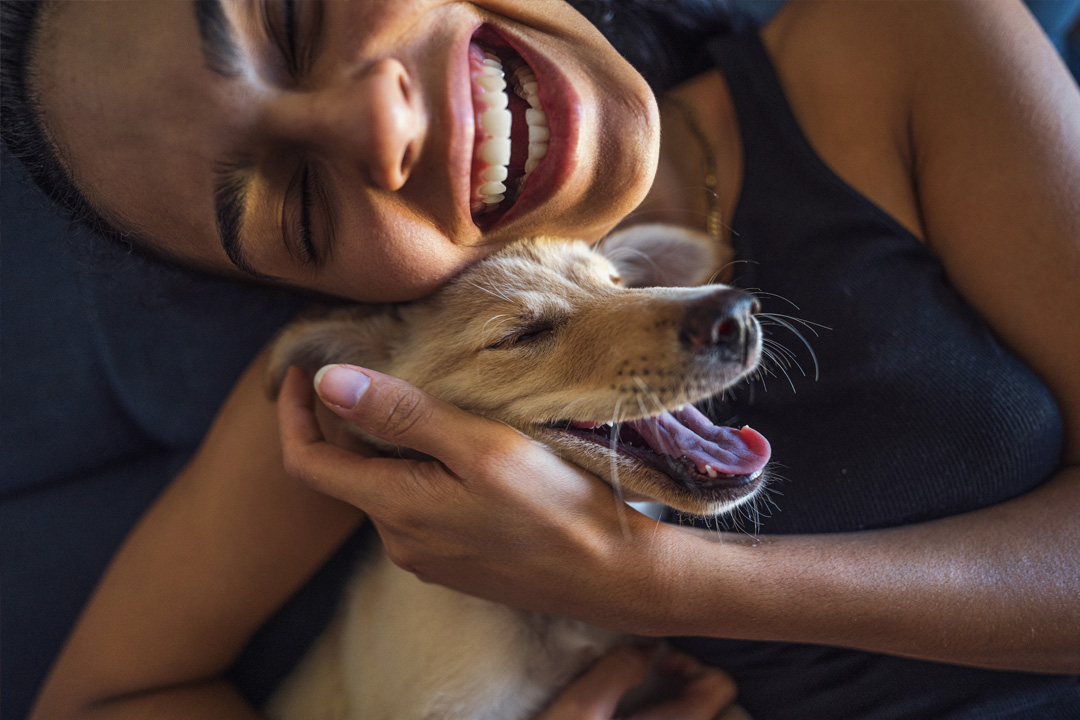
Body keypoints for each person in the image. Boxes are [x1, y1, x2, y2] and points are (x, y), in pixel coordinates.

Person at [2, 1, 1078, 718]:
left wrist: (662, 584)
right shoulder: (366, 383)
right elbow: (104, 701)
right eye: (302, 203)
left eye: (292, 12)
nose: (376, 120)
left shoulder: (906, 40)